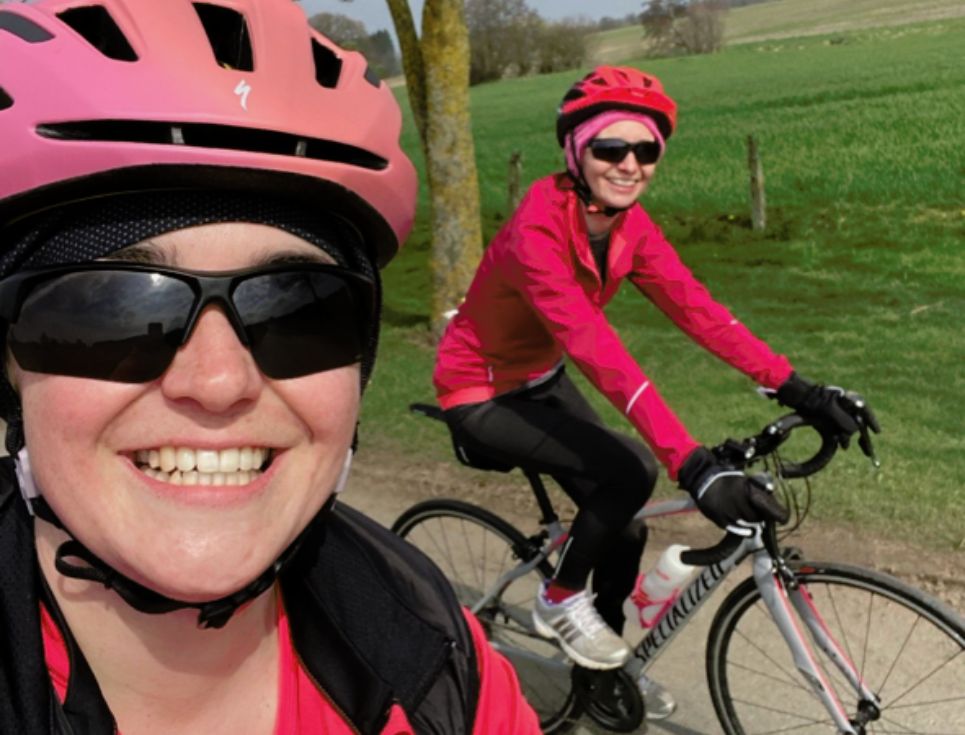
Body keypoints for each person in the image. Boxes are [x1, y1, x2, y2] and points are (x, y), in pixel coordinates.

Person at [0, 1, 540, 733]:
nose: (220, 383)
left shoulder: (432, 653)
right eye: (113, 311)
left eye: (298, 309)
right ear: (7, 365)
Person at [432, 65, 878, 717]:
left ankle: (598, 672)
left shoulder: (627, 227)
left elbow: (700, 312)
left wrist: (798, 388)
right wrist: (690, 463)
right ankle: (557, 598)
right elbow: (598, 350)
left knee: (626, 529)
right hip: (479, 389)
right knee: (630, 471)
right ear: (575, 152)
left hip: (540, 376)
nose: (629, 163)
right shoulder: (536, 231)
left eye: (645, 149)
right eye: (609, 148)